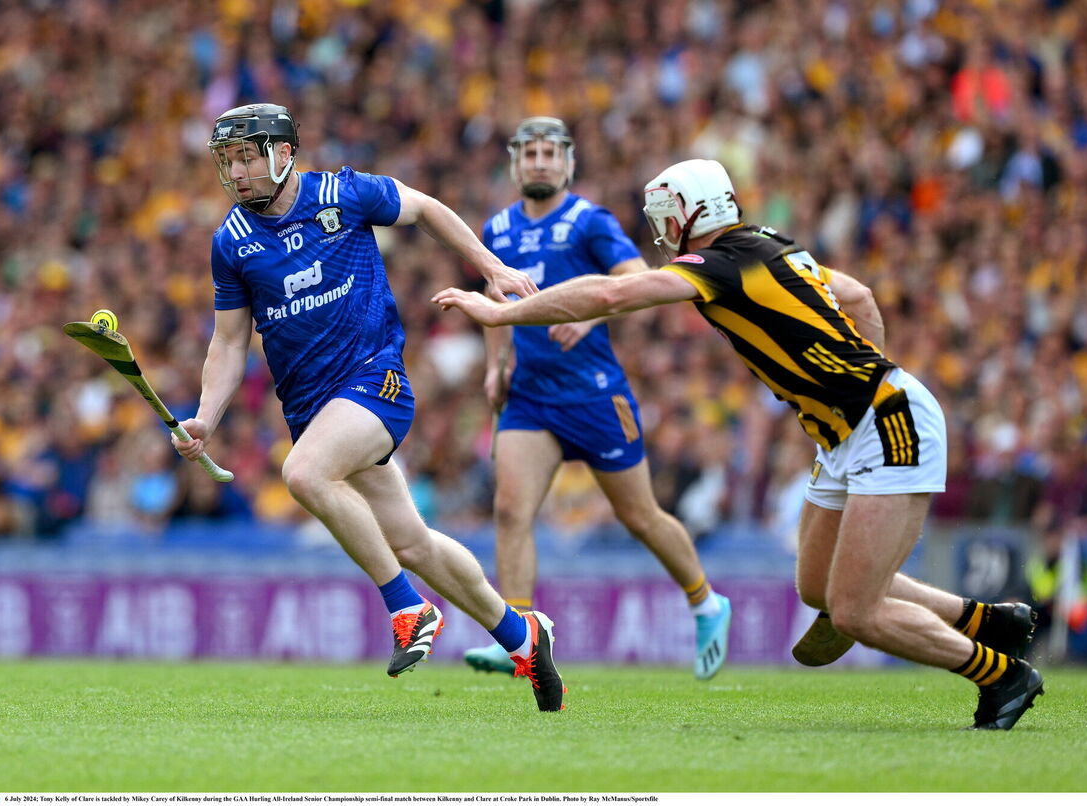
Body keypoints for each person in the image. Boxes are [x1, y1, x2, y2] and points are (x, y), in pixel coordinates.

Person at [434, 158, 1045, 730]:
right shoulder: (770, 245)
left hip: (884, 423)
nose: (659, 229)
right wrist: (865, 374)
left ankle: (1002, 675)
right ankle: (987, 621)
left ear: (693, 212)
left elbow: (615, 295)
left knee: (854, 611)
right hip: (849, 430)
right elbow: (856, 297)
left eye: (665, 214)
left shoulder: (725, 264)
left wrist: (501, 316)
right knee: (816, 587)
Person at [173, 103, 564, 711]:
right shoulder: (232, 242)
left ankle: (405, 606)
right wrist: (206, 417)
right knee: (411, 541)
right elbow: (228, 342)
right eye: (229, 160)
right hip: (313, 407)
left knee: (303, 473)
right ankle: (522, 635)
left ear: (282, 153)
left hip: (374, 380)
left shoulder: (343, 192)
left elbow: (427, 208)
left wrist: (491, 267)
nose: (238, 171)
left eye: (248, 156)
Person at [461, 117, 733, 681]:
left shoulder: (589, 221)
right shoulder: (498, 228)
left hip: (593, 393)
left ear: (568, 163)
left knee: (640, 515)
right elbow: (496, 297)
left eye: (549, 153)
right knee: (511, 509)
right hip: (530, 396)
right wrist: (496, 363)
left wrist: (587, 321)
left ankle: (706, 601)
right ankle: (518, 633)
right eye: (529, 153)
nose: (539, 162)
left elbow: (636, 279)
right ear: (515, 164)